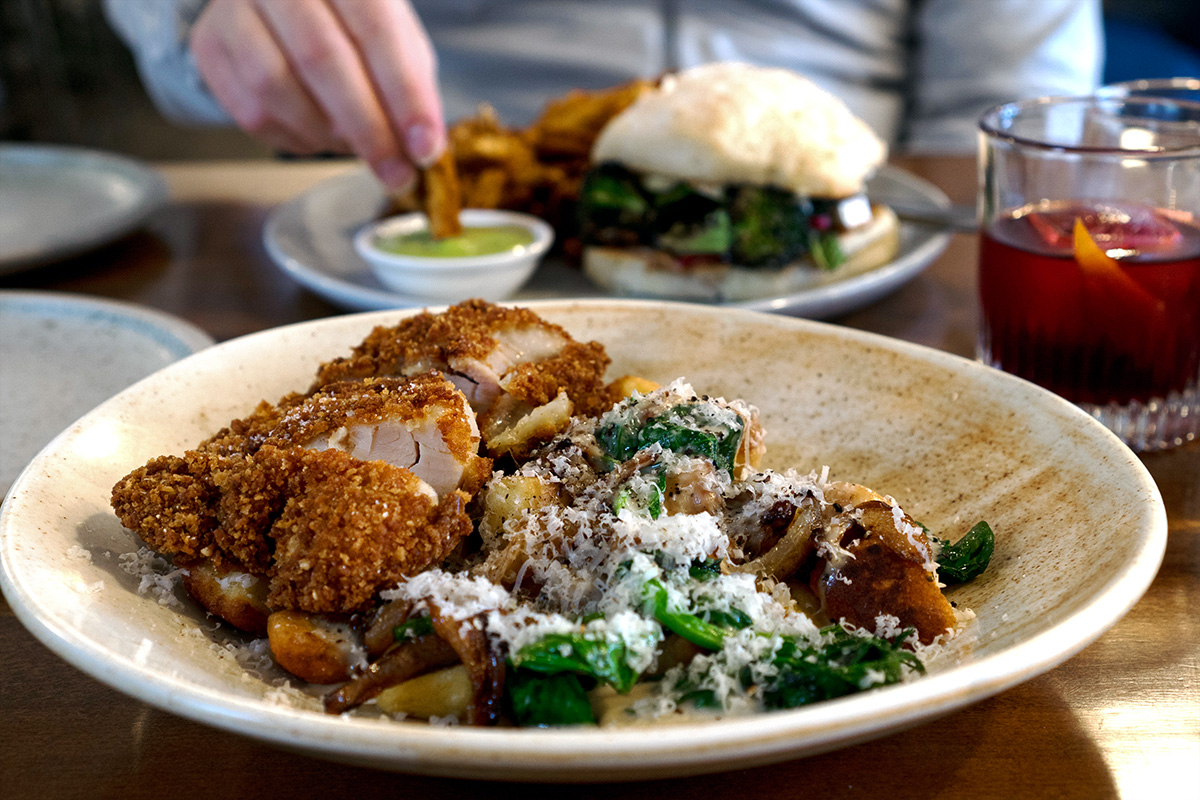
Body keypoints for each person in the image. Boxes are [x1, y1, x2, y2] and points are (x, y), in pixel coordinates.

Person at [104, 0, 1103, 193]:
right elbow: (183, 41)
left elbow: (1022, 113)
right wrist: (195, 18)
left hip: (867, 230)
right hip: (437, 190)